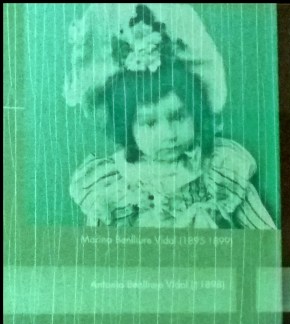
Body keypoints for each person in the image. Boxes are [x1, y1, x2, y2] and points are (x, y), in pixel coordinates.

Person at [64, 3, 276, 229]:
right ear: (128, 128)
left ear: (195, 113)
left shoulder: (220, 168)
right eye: (149, 123)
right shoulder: (113, 183)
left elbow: (264, 237)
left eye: (178, 117)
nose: (168, 134)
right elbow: (95, 247)